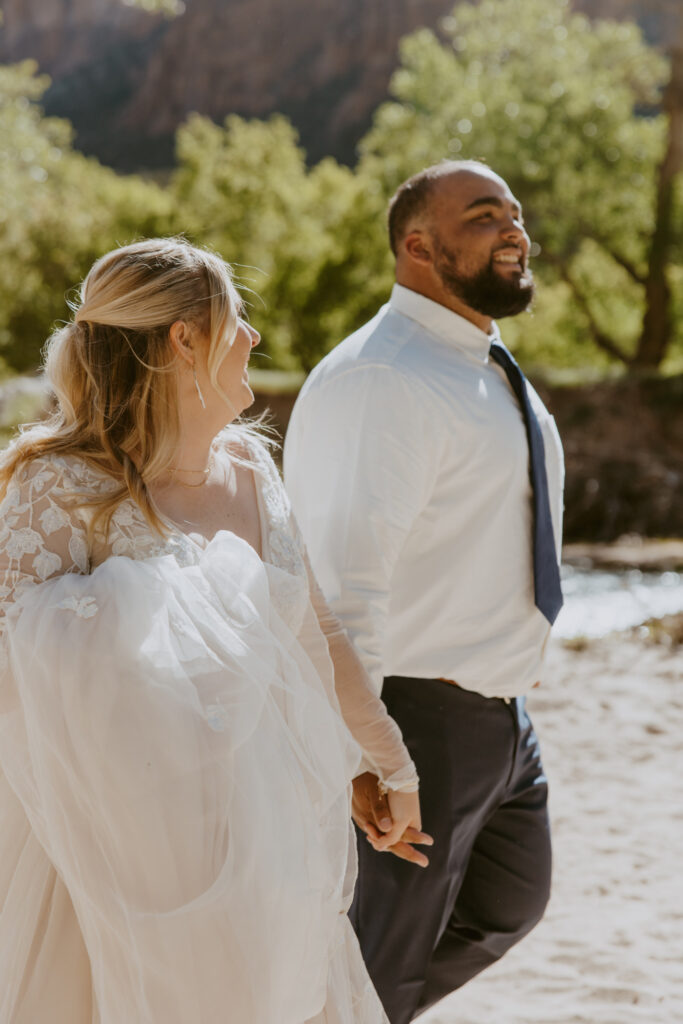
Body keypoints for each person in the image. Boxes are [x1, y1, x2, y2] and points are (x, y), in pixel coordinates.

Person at [0, 237, 432, 1024]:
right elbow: (12, 679)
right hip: (110, 856)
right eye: (237, 318)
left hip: (257, 840)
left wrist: (384, 766)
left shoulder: (248, 468)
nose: (254, 338)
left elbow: (312, 629)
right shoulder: (54, 482)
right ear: (184, 339)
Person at [284, 160, 565, 1023]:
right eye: (484, 216)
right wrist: (369, 751)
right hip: (416, 713)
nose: (514, 230)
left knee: (505, 908)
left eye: (515, 214)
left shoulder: (478, 360)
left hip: (498, 715)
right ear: (417, 244)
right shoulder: (384, 377)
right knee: (379, 959)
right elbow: (344, 579)